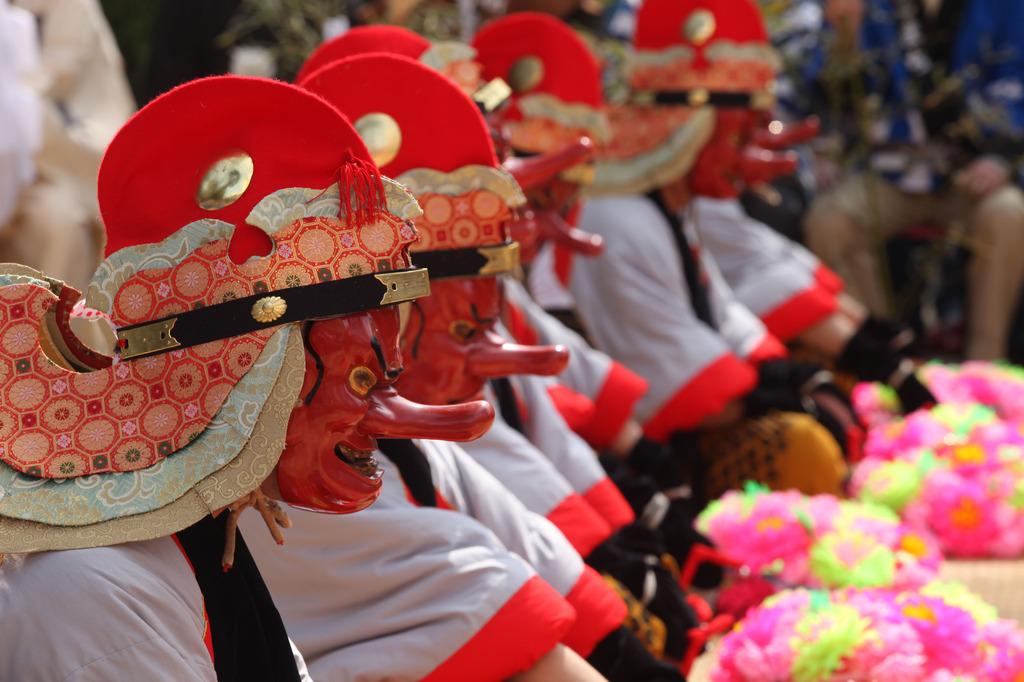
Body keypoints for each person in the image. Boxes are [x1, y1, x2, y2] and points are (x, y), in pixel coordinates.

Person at [0, 74, 496, 681]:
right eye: (363, 382)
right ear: (246, 375)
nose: (382, 419)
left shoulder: (203, 536)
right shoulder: (96, 588)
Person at [509, 7, 850, 502]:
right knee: (801, 447)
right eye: (736, 137)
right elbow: (677, 384)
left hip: (618, 426)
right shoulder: (618, 220)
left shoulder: (670, 206)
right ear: (690, 131)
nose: (748, 153)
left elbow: (723, 314)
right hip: (630, 436)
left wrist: (788, 376)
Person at [804, 0, 1024, 360]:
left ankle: (987, 361)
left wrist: (1001, 157)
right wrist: (845, 38)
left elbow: (1018, 78)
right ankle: (881, 357)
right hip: (893, 171)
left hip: (972, 174)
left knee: (1009, 214)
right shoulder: (870, 6)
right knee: (831, 220)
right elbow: (832, 95)